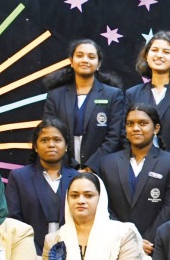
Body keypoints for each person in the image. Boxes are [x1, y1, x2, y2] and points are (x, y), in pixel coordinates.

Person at [97, 104, 170, 256]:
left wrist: (145, 240)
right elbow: (104, 207)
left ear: (156, 128)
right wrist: (128, 240)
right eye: (130, 124)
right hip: (116, 247)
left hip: (155, 248)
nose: (135, 128)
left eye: (143, 123)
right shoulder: (107, 163)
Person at [42, 39, 126, 171]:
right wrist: (72, 165)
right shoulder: (55, 96)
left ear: (98, 64)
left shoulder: (113, 95)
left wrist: (91, 166)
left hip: (102, 168)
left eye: (91, 57)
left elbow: (114, 136)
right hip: (63, 167)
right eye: (79, 55)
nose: (85, 60)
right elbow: (50, 133)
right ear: (71, 61)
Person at [5, 118, 79, 254]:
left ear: (66, 145)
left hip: (72, 253)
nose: (51, 144)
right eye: (44, 140)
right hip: (29, 253)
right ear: (35, 146)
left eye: (57, 140)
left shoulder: (77, 178)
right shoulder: (19, 177)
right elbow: (13, 219)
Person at [125, 31, 170, 156]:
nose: (159, 55)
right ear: (146, 56)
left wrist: (169, 162)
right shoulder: (132, 94)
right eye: (155, 50)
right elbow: (124, 133)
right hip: (139, 164)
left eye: (166, 52)